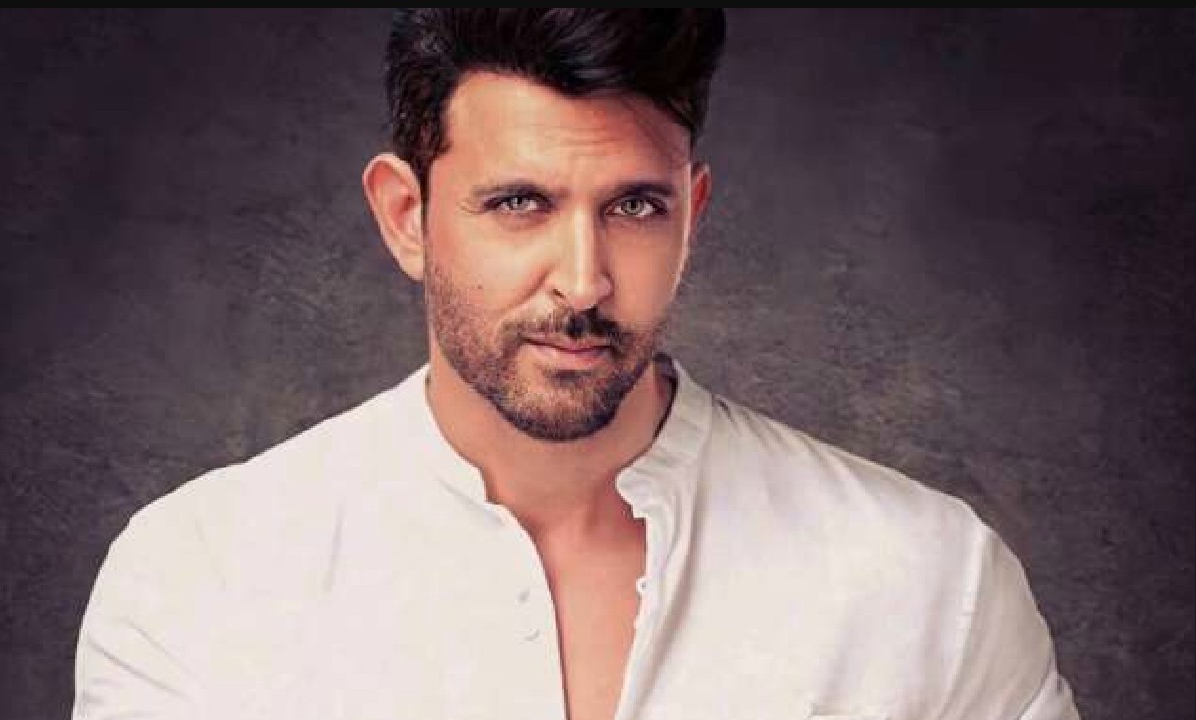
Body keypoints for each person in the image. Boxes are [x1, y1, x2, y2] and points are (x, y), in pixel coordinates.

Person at [71, 9, 1081, 720]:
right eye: (519, 204)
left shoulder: (924, 580)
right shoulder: (204, 579)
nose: (585, 280)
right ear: (406, 216)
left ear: (691, 215)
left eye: (635, 206)